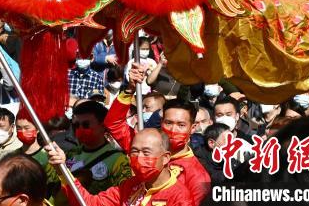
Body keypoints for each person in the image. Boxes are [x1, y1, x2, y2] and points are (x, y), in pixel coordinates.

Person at [104, 63, 211, 204]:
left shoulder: (198, 177)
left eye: (181, 125)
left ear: (193, 128)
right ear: (161, 122)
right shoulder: (142, 146)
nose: (173, 130)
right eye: (168, 123)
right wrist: (130, 89)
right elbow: (114, 123)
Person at [49, 128, 194, 206]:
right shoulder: (131, 185)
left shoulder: (180, 198)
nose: (139, 158)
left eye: (146, 152)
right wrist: (62, 170)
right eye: (135, 152)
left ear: (166, 158)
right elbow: (92, 203)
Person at [57, 100, 130, 205]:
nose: (80, 129)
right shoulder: (69, 154)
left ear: (103, 125)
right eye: (77, 125)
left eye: (86, 125)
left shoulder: (118, 160)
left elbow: (123, 196)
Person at [13, 113, 61, 199]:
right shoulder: (13, 156)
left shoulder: (47, 155)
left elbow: (53, 186)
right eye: (19, 128)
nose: (23, 131)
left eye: (27, 128)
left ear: (38, 129)